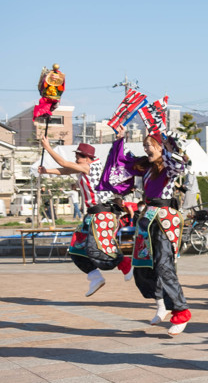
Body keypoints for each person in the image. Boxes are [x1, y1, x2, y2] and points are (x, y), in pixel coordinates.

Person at [99, 127, 193, 336]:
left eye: (150, 145)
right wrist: (120, 139)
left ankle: (181, 311)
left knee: (163, 265)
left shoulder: (168, 168)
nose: (146, 148)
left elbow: (180, 163)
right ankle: (161, 303)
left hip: (164, 220)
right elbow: (121, 163)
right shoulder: (147, 168)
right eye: (144, 146)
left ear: (161, 147)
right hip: (146, 219)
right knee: (142, 267)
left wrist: (171, 145)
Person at [38, 136, 132, 296]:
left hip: (102, 215)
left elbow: (64, 165)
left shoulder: (91, 166)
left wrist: (48, 148)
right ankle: (95, 277)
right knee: (76, 249)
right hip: (92, 216)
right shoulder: (84, 169)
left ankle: (125, 264)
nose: (76, 159)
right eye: (77, 156)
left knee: (99, 248)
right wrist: (47, 171)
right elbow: (66, 170)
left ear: (88, 158)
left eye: (79, 156)